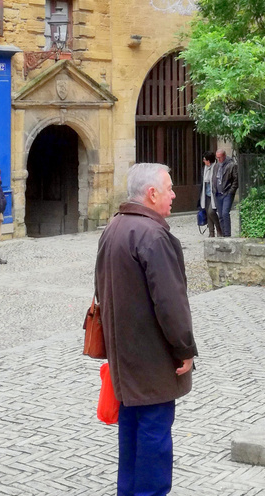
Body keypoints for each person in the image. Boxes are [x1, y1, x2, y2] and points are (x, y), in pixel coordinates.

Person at [95, 163, 197, 496]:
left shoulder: (113, 228)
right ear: (151, 194)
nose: (173, 194)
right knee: (153, 440)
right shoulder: (154, 235)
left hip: (124, 355)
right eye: (168, 188)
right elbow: (171, 303)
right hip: (152, 358)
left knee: (131, 436)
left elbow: (100, 289)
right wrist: (184, 349)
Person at [213, 148, 238, 238]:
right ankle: (223, 234)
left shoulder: (231, 165)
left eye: (220, 157)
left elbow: (236, 180)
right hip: (218, 193)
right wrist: (214, 189)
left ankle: (227, 234)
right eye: (217, 157)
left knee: (225, 213)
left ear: (224, 156)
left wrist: (231, 191)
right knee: (220, 215)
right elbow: (214, 178)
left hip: (227, 192)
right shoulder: (216, 166)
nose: (218, 159)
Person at [199, 152, 221, 237]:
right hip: (206, 193)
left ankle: (219, 229)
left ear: (209, 160)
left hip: (214, 193)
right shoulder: (204, 168)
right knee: (208, 213)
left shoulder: (216, 167)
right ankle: (211, 233)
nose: (203, 161)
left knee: (211, 212)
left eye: (204, 159)